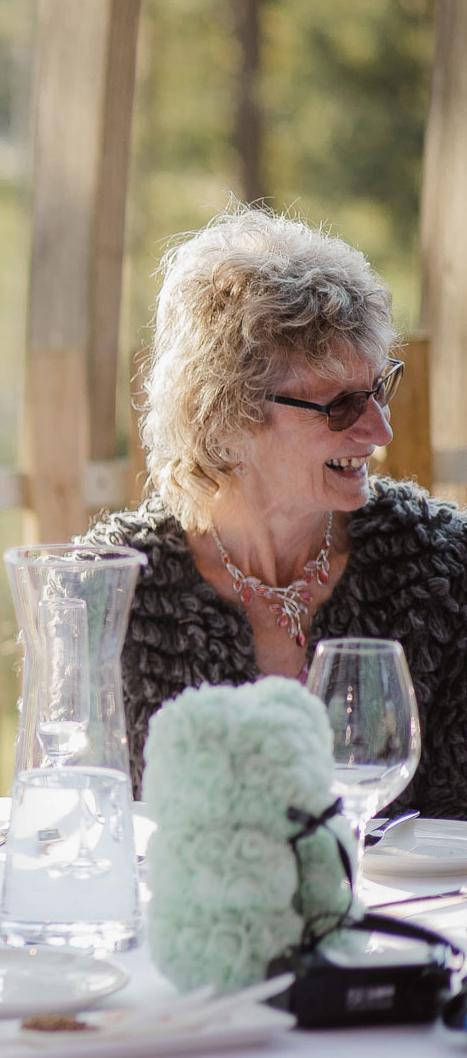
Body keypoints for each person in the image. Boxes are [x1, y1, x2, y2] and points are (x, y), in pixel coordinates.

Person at [80, 207, 467, 817]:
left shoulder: (442, 569)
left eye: (379, 390)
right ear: (228, 417)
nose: (381, 430)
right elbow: (81, 816)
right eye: (341, 405)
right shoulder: (108, 589)